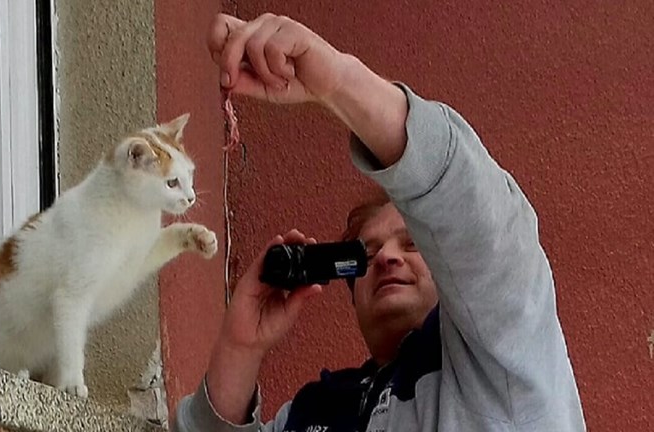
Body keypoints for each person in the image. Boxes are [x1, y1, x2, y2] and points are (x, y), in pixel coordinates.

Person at [173, 12, 586, 432]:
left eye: (410, 245)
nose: (386, 257)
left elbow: (483, 226)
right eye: (367, 253)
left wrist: (338, 83)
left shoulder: (505, 364)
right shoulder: (316, 410)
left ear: (450, 267)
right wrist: (241, 346)